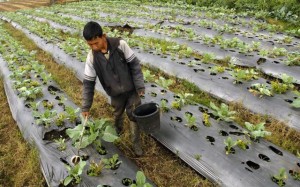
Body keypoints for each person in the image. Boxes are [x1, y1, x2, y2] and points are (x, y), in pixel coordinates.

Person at [81, 21, 145, 156]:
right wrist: (86, 106)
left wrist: (139, 85)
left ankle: (136, 143)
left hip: (131, 89)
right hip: (115, 93)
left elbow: (135, 65)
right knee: (117, 113)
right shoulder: (91, 57)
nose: (93, 47)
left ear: (103, 36)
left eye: (95, 43)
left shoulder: (120, 45)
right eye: (90, 44)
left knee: (134, 114)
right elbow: (88, 83)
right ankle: (118, 131)